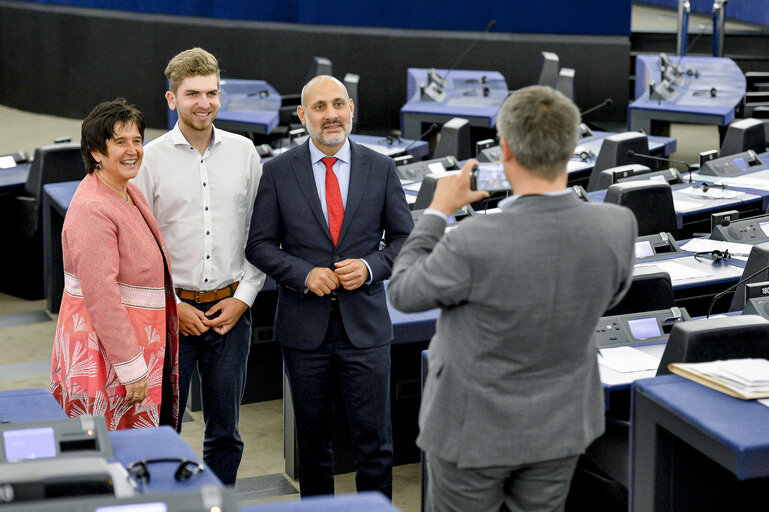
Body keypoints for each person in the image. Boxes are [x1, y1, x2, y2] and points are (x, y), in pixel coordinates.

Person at [388, 85, 638, 512]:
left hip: (472, 431)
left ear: (504, 149)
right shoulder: (618, 224)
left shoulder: (474, 240)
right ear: (573, 144)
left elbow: (403, 292)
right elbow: (611, 297)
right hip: (560, 427)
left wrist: (436, 212)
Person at [246, 75, 413, 498]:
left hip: (367, 329)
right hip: (304, 331)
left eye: (338, 104)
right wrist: (303, 273)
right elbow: (259, 245)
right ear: (303, 116)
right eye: (319, 107)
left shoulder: (381, 167)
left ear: (351, 108)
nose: (331, 115)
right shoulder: (278, 172)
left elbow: (405, 241)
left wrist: (372, 267)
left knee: (375, 445)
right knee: (313, 447)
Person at [133, 47, 265, 485]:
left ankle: (218, 499)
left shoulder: (246, 153)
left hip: (230, 316)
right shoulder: (148, 159)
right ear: (171, 100)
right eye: (192, 94)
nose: (203, 103)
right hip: (171, 317)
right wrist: (173, 307)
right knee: (163, 428)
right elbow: (141, 249)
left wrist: (243, 299)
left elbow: (259, 235)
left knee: (225, 431)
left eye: (211, 92)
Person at [51, 98, 179, 431]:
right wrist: (131, 367)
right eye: (120, 142)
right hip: (109, 361)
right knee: (117, 463)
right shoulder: (93, 207)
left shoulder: (125, 190)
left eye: (137, 140)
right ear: (96, 151)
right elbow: (101, 295)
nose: (132, 149)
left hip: (138, 347)